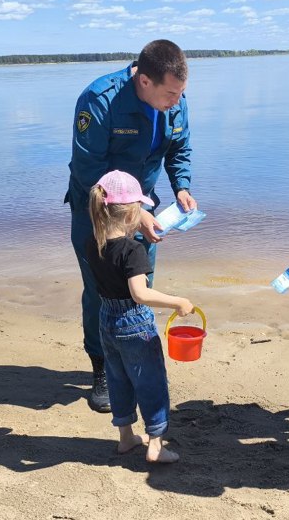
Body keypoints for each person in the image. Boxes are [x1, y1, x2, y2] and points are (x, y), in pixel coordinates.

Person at [63, 39, 197, 412]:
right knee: (103, 289)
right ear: (144, 82)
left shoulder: (174, 97)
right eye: (170, 93)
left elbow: (179, 148)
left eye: (181, 93)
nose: (177, 101)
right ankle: (102, 368)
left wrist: (182, 187)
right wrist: (134, 213)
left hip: (144, 205)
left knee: (140, 283)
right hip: (96, 211)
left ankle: (136, 359)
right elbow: (90, 170)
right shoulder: (100, 99)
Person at [86, 169, 194, 463]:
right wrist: (178, 302)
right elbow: (140, 294)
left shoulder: (92, 243)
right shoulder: (133, 250)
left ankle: (126, 438)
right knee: (151, 382)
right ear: (132, 213)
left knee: (118, 378)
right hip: (134, 323)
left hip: (106, 320)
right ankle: (156, 446)